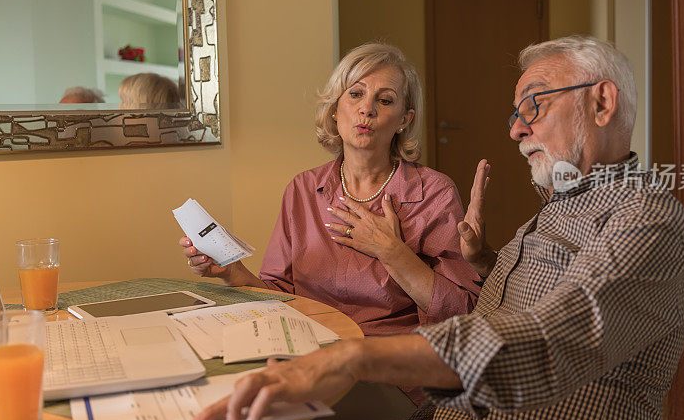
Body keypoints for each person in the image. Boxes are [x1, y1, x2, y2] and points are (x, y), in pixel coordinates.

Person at [192, 36, 684, 420]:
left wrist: (352, 356)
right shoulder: (562, 210)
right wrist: (487, 261)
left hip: (460, 418)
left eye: (535, 106)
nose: (516, 131)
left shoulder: (646, 222)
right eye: (515, 114)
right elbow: (548, 296)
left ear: (601, 101)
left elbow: (545, 342)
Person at [180, 43, 480, 336]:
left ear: (405, 119)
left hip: (390, 361)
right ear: (336, 109)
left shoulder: (434, 193)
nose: (367, 109)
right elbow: (279, 297)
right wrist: (231, 272)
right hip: (309, 347)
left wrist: (392, 252)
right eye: (355, 94)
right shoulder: (302, 189)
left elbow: (463, 310)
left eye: (385, 100)